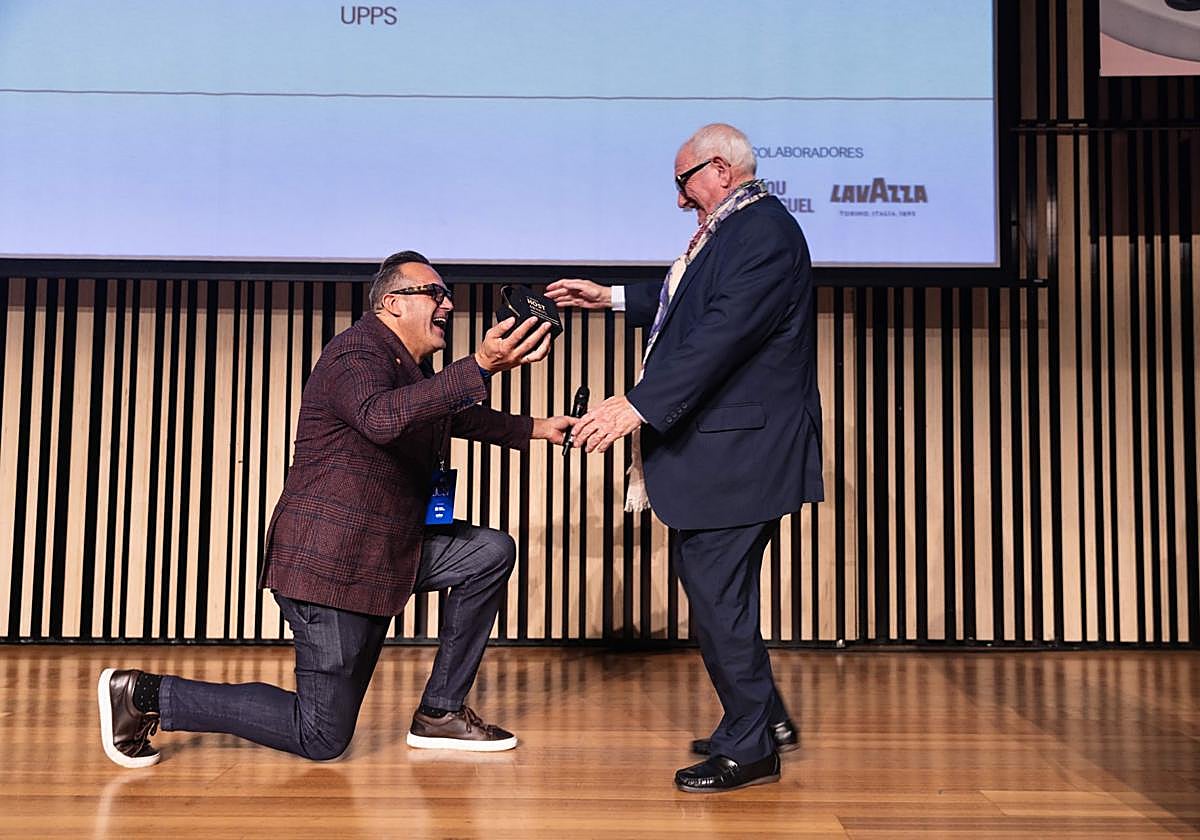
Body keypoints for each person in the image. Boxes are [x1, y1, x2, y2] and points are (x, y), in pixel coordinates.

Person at [98, 250, 575, 767]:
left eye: (446, 293)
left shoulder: (410, 367)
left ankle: (440, 712)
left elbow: (442, 415)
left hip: (388, 552)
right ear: (391, 303)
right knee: (321, 736)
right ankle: (143, 695)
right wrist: (479, 365)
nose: (448, 302)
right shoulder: (356, 354)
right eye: (434, 293)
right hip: (333, 565)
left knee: (487, 551)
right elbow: (381, 418)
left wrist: (536, 428)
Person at [546, 123, 823, 793]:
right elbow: (689, 301)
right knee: (717, 593)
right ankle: (766, 719)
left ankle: (751, 745)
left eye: (683, 182)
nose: (679, 199)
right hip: (735, 450)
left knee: (715, 595)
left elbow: (720, 335)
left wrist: (637, 405)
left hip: (740, 452)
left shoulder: (760, 233)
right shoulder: (740, 228)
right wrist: (610, 298)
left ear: (721, 170)